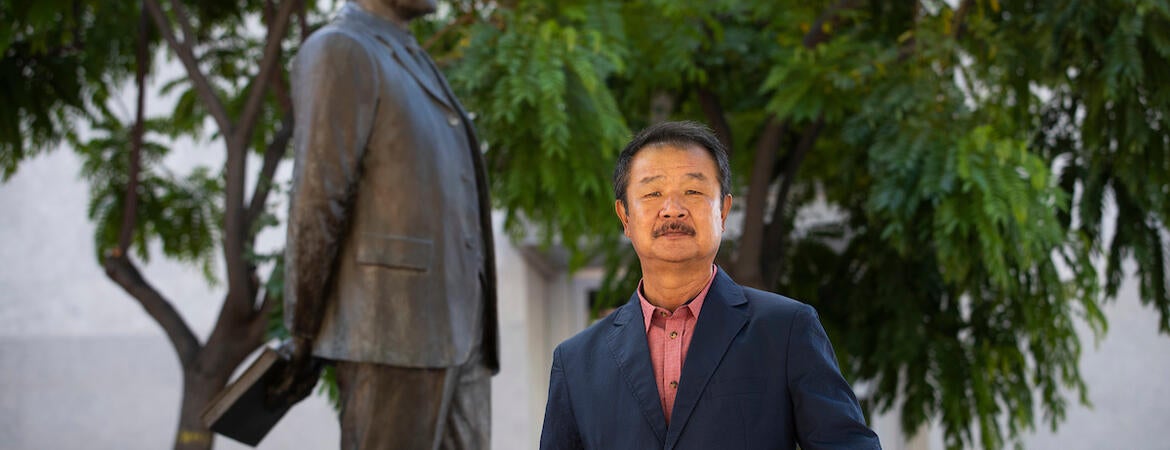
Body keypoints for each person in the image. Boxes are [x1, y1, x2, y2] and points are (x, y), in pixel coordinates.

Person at [539, 121, 880, 449]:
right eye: (653, 192)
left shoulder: (786, 330)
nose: (672, 210)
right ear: (625, 217)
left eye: (693, 190)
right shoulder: (576, 362)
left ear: (723, 211)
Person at [276, 0, 498, 448]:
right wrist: (302, 328)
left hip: (460, 331)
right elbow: (318, 199)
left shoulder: (411, 57)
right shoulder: (341, 49)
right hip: (390, 328)